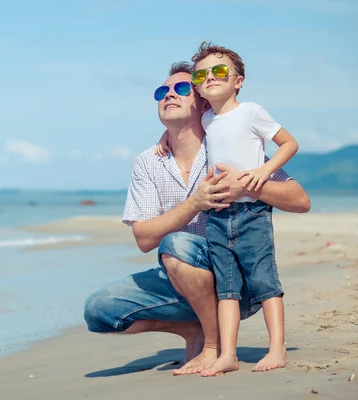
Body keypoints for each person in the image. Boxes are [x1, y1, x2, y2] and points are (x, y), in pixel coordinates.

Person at [83, 61, 310, 376]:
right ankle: (193, 329)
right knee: (99, 311)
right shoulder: (147, 162)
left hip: (235, 279)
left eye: (181, 89)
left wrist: (246, 185)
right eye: (162, 91)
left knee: (177, 244)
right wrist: (195, 203)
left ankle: (213, 347)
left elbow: (300, 200)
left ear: (203, 102)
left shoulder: (226, 144)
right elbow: (144, 239)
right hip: (180, 277)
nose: (169, 95)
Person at [185, 42, 297, 376]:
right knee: (227, 289)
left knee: (265, 282)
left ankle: (277, 348)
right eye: (201, 74)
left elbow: (289, 143)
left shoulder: (251, 111)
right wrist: (165, 138)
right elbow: (195, 139)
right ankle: (228, 354)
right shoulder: (206, 119)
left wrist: (264, 171)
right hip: (217, 215)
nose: (210, 78)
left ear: (238, 80)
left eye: (220, 71)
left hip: (252, 213)